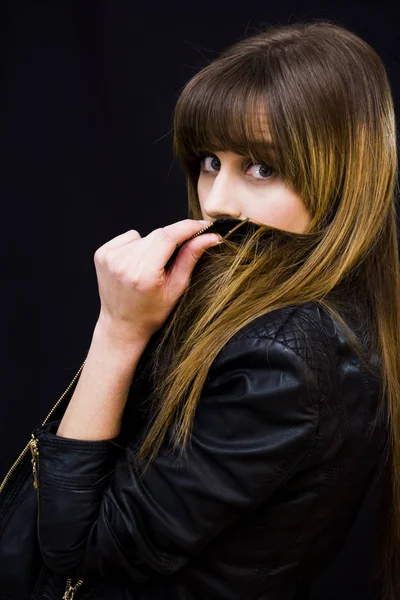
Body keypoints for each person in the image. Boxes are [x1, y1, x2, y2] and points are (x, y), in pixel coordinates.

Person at [21, 18, 400, 600]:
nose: (217, 201)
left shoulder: (284, 359)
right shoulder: (276, 302)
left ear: (343, 177)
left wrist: (119, 330)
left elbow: (74, 548)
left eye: (262, 167)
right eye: (209, 162)